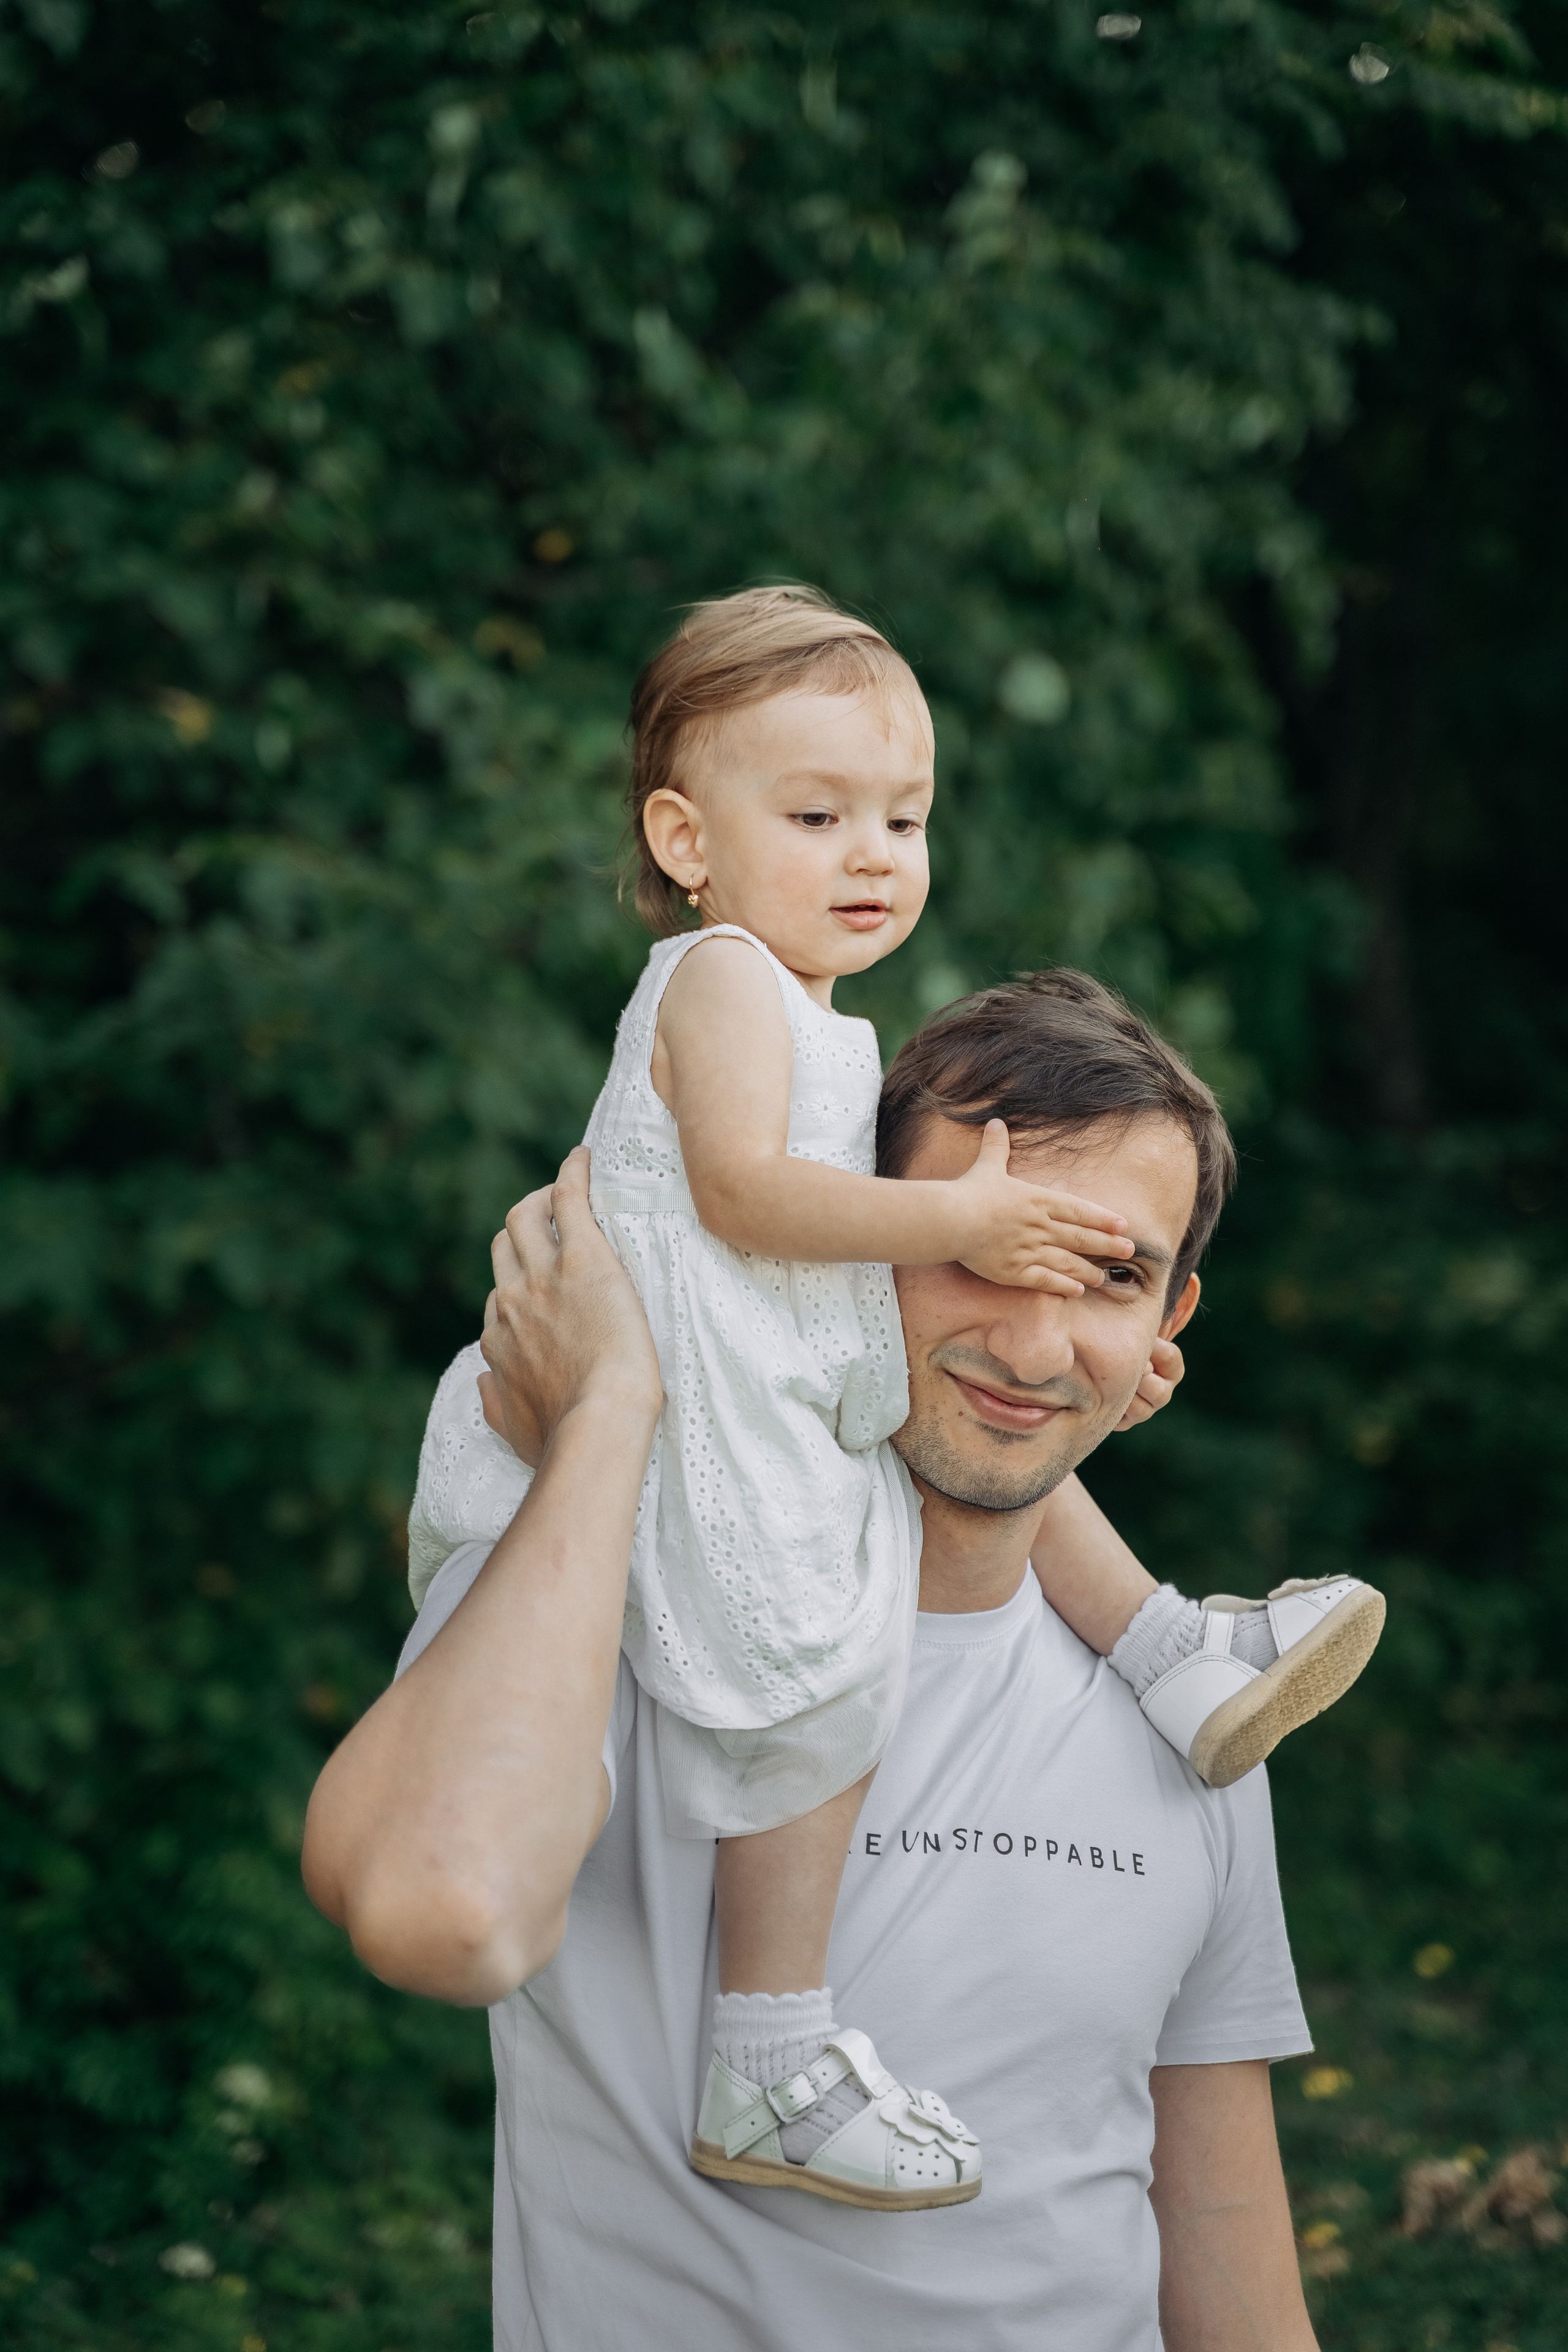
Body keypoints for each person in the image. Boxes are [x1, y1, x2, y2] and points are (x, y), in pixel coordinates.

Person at [395, 586, 1381, 2212]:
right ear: (685, 836)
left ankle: (1176, 1658)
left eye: (904, 818)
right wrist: (961, 1221)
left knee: (930, 1468)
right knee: (834, 1662)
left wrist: (998, 1280)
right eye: (817, 813)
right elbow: (740, 1196)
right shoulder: (719, 979)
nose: (872, 854)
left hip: (754, 1401)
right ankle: (769, 2044)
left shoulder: (815, 1022)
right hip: (665, 1421)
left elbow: (934, 1338)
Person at [302, 974, 1328, 2348]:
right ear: (844, 1234)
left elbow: (1217, 2238)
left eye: (1105, 1275)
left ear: (1166, 1324)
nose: (1032, 1341)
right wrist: (615, 1400)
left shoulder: (1188, 1708)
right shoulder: (604, 1609)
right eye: (973, 1246)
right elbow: (440, 1910)